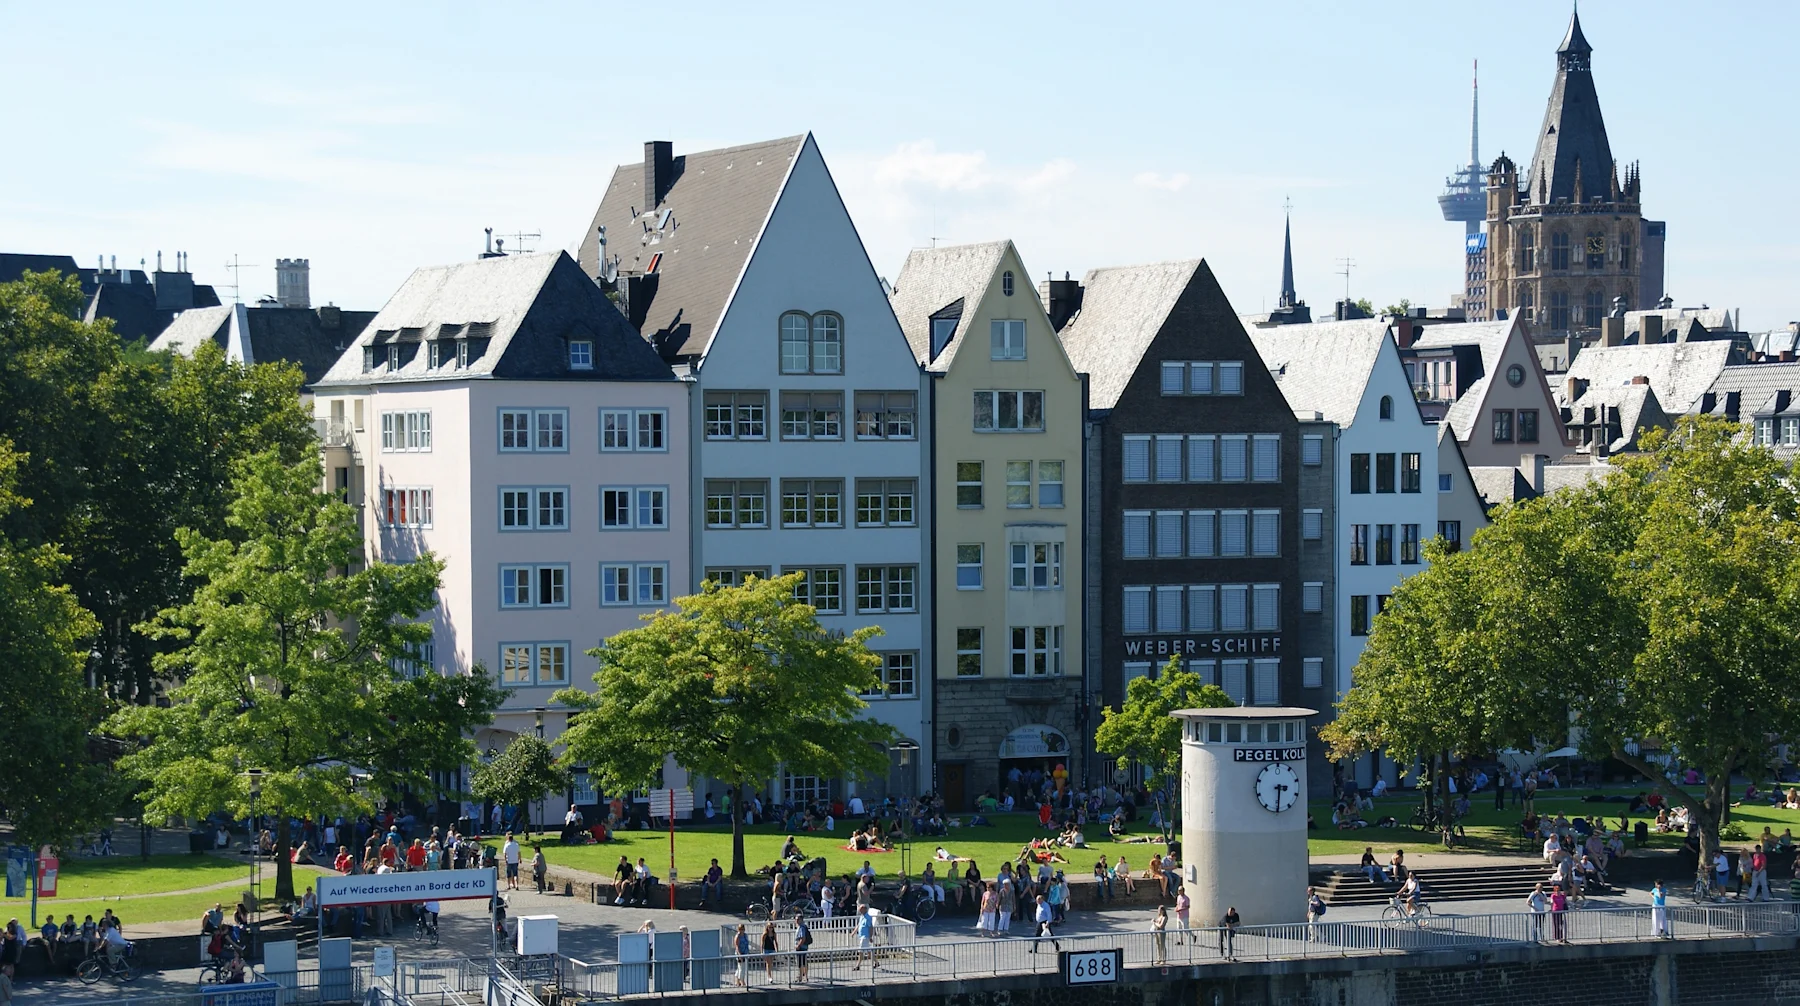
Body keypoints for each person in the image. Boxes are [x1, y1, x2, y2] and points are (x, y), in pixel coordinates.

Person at [853, 906, 880, 971]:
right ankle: (876, 962)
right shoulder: (862, 916)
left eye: (861, 909)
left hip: (865, 936)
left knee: (860, 951)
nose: (860, 911)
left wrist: (870, 936)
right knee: (868, 951)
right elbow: (859, 925)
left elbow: (870, 927)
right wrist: (854, 932)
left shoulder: (868, 917)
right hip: (861, 935)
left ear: (865, 909)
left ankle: (858, 965)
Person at [791, 914, 812, 982]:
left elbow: (803, 938)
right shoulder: (802, 926)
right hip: (804, 946)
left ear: (801, 920)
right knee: (804, 961)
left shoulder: (802, 927)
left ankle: (801, 977)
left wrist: (798, 946)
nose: (796, 921)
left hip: (801, 947)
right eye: (796, 919)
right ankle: (805, 976)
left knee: (801, 962)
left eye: (798, 919)